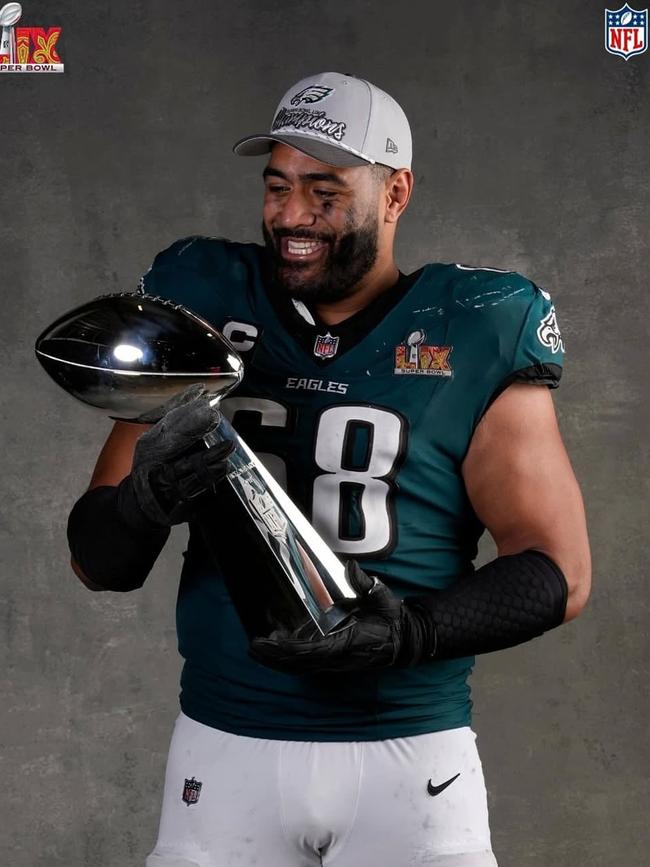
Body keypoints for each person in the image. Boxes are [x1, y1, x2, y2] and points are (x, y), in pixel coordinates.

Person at [66, 71, 591, 866]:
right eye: (277, 186)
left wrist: (411, 634)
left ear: (395, 192)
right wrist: (143, 500)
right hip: (223, 742)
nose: (292, 215)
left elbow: (560, 570)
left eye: (324, 189)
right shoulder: (205, 303)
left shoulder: (473, 325)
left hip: (409, 756)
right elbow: (95, 560)